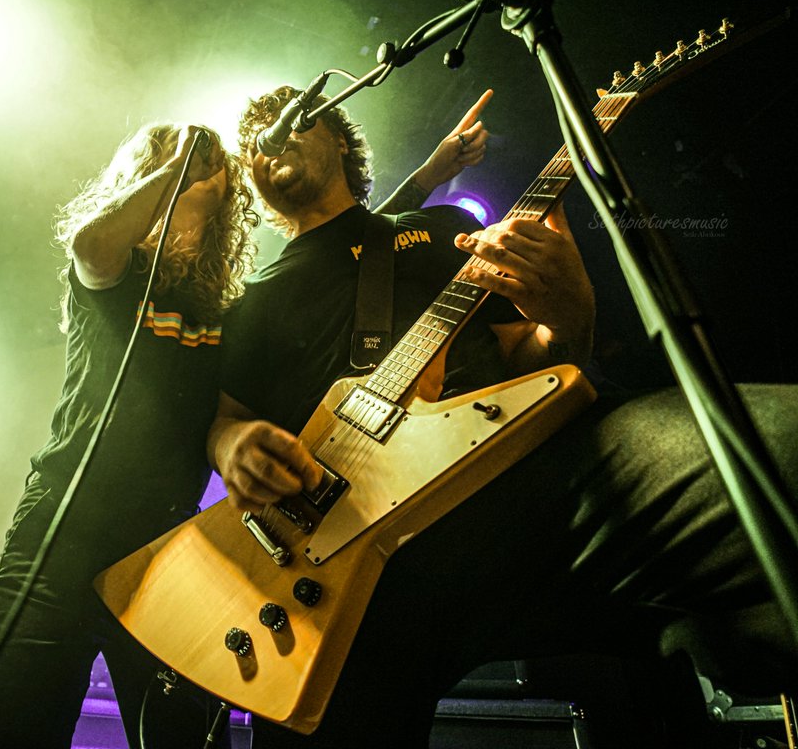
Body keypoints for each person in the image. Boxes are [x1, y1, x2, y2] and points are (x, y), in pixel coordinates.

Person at [207, 85, 798, 747]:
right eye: (253, 140)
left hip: (527, 491)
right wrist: (233, 447)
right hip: (346, 564)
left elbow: (538, 352)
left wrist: (571, 311)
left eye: (289, 122)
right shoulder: (254, 299)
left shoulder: (436, 229)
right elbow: (229, 418)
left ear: (339, 138)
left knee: (776, 448)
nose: (269, 139)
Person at [0, 104, 492, 747]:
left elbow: (349, 246)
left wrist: (430, 174)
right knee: (15, 731)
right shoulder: (114, 279)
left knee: (185, 738)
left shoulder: (226, 306)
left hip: (172, 552)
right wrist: (178, 165)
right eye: (172, 158)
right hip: (61, 539)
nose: (200, 166)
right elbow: (90, 243)